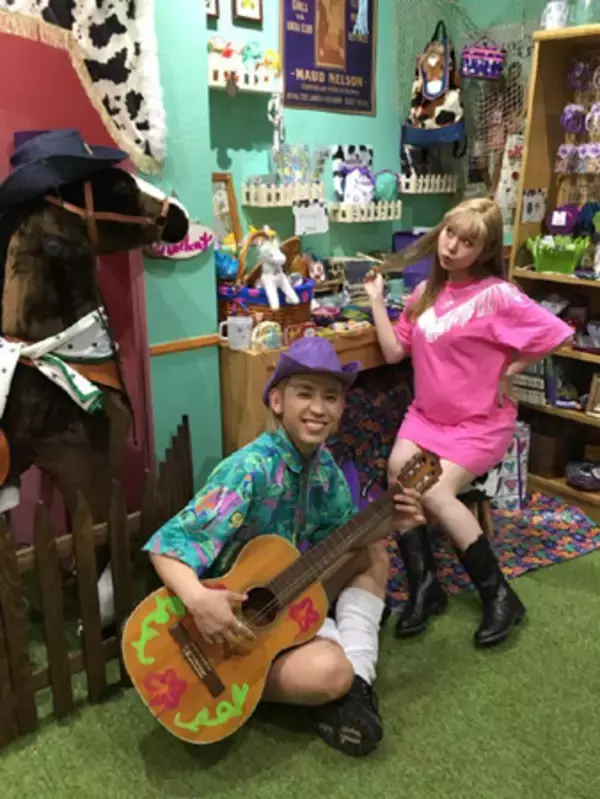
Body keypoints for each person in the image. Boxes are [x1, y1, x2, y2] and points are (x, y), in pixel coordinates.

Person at [143, 336, 426, 757]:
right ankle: (257, 681)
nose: (318, 408)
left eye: (331, 397)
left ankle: (357, 685)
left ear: (342, 409)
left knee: (373, 554)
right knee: (330, 672)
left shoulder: (325, 469)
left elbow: (343, 539)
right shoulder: (249, 469)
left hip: (284, 594)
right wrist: (199, 600)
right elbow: (167, 545)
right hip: (220, 626)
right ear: (277, 401)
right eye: (304, 393)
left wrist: (389, 521)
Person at [365, 197, 573, 648]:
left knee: (434, 491)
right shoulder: (424, 294)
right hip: (426, 418)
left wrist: (509, 370)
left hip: (479, 424)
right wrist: (377, 302)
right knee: (399, 476)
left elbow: (556, 333)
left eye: (467, 242)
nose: (451, 247)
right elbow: (394, 352)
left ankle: (500, 596)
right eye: (449, 234)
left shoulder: (497, 295)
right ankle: (425, 585)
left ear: (484, 250)